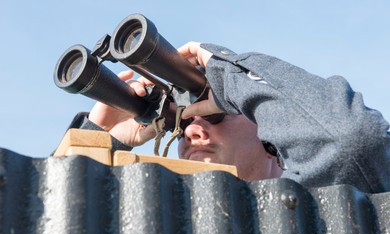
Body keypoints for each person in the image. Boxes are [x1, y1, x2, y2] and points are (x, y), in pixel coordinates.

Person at [68, 42, 390, 193]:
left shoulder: (315, 213)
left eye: (218, 115)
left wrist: (226, 74)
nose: (191, 133)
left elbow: (352, 140)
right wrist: (100, 138)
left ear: (273, 140)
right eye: (180, 127)